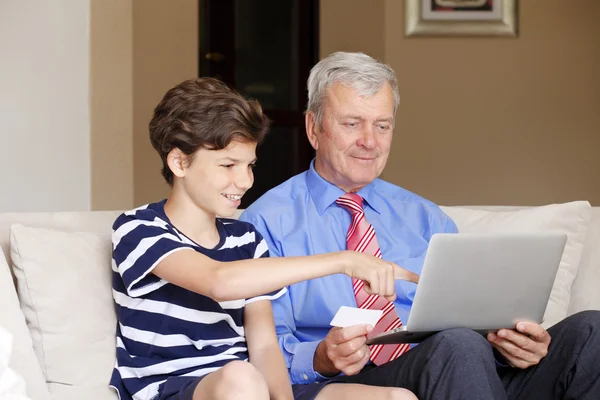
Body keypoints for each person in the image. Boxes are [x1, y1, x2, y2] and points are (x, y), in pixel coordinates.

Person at [240, 52, 600, 399]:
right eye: (352, 124)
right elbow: (263, 348)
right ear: (313, 128)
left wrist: (510, 347)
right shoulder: (268, 221)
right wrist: (321, 357)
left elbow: (473, 322)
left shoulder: (426, 217)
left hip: (464, 370)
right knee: (456, 344)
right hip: (361, 379)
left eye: (382, 126)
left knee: (591, 330)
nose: (369, 141)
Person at [109, 77, 419, 400]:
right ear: (179, 162)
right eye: (228, 165)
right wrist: (344, 260)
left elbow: (265, 348)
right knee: (241, 378)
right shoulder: (139, 228)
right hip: (174, 391)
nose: (244, 181)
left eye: (249, 165)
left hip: (251, 389)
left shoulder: (246, 240)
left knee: (397, 398)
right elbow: (218, 281)